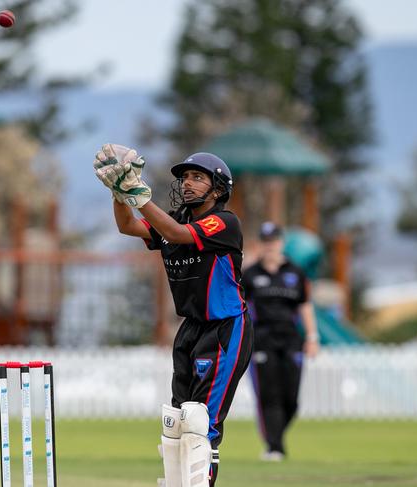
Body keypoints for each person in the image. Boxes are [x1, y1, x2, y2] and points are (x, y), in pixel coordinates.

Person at [93, 144, 253, 487]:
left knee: (201, 423)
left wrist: (138, 196)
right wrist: (119, 193)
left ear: (219, 188)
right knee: (179, 422)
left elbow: (177, 235)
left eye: (198, 177)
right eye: (185, 178)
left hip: (226, 328)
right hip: (191, 329)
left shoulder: (224, 223)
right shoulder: (175, 220)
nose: (188, 183)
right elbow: (127, 227)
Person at [241, 221, 319, 461]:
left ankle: (275, 437)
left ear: (281, 243)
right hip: (263, 341)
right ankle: (274, 446)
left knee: (291, 399)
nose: (270, 246)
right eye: (265, 242)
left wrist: (312, 337)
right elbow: (240, 308)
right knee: (269, 395)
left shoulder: (295, 273)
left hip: (291, 341)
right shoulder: (251, 275)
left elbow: (305, 305)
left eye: (273, 241)